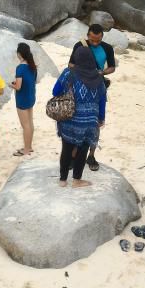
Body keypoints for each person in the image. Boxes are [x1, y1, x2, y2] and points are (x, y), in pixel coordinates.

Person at [54, 46, 107, 188]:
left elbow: (55, 91)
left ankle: (62, 180)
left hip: (69, 118)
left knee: (66, 148)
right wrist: (101, 118)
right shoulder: (99, 77)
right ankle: (77, 180)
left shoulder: (68, 73)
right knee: (83, 149)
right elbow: (102, 99)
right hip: (90, 121)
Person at [68, 24, 116, 171]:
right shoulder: (80, 45)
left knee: (96, 123)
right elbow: (71, 64)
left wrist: (101, 73)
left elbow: (112, 67)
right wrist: (84, 72)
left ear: (102, 37)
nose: (95, 42)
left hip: (98, 86)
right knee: (77, 122)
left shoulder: (107, 48)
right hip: (80, 87)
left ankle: (91, 155)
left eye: (98, 40)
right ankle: (74, 156)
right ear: (88, 35)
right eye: (92, 39)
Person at [9, 43, 37, 156]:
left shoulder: (20, 68)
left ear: (19, 54)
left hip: (22, 99)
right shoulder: (33, 66)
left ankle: (26, 150)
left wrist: (10, 85)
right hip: (31, 96)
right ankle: (29, 147)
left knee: (25, 125)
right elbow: (31, 81)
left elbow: (18, 87)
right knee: (30, 123)